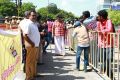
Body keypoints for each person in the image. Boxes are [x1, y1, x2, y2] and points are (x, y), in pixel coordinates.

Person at [20, 10, 40, 80]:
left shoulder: (33, 24)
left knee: (33, 61)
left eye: (35, 15)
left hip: (35, 46)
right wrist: (32, 43)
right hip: (31, 46)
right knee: (30, 62)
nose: (34, 17)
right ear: (29, 16)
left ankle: (33, 75)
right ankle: (28, 77)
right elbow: (25, 35)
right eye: (33, 15)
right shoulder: (28, 24)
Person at [96, 10, 114, 79]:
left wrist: (102, 31)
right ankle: (111, 77)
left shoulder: (109, 21)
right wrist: (102, 31)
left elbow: (109, 29)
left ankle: (104, 71)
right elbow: (98, 31)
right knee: (104, 61)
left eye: (99, 16)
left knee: (109, 59)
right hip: (102, 44)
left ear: (102, 16)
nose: (98, 17)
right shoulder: (98, 23)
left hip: (109, 44)